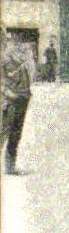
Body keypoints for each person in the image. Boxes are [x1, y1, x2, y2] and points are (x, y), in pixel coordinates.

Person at [2, 32, 32, 175]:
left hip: (23, 98)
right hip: (10, 100)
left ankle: (10, 167)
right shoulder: (5, 58)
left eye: (22, 42)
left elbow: (30, 76)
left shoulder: (23, 59)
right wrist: (7, 93)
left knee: (16, 134)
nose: (21, 45)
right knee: (3, 133)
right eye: (17, 42)